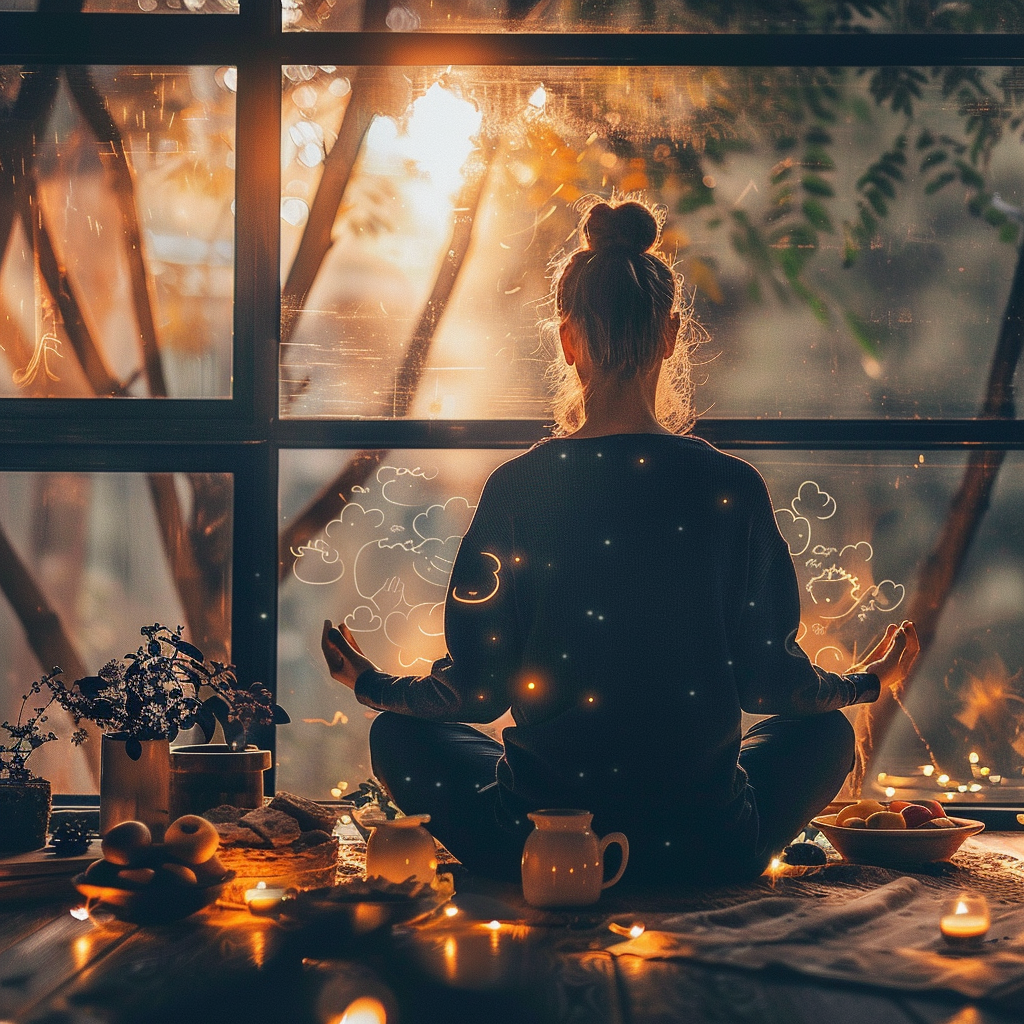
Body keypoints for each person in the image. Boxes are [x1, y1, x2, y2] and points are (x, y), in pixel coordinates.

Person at [322, 197, 920, 885]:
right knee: (827, 734)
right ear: (671, 335)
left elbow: (477, 694)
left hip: (542, 843)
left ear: (566, 340)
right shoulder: (730, 485)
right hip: (706, 844)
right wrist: (867, 682)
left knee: (398, 734)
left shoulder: (520, 487)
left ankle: (558, 844)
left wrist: (370, 683)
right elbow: (770, 682)